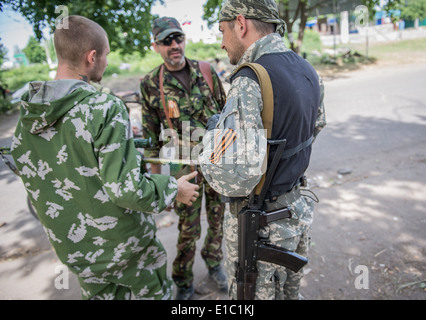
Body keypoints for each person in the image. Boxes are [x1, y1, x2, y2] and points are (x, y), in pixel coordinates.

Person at [10, 15, 199, 300]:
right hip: (126, 249)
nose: (107, 62)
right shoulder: (103, 107)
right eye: (107, 55)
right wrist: (175, 188)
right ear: (92, 56)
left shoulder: (27, 116)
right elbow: (126, 190)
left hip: (77, 254)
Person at [199, 0, 326, 300]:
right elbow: (315, 126)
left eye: (223, 31)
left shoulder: (250, 78)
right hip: (294, 211)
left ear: (241, 24)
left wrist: (208, 145)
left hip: (261, 225)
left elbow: (234, 178)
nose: (222, 43)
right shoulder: (306, 68)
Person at [140, 17, 228, 300]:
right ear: (156, 46)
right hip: (183, 167)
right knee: (188, 229)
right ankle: (183, 280)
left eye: (177, 38)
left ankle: (214, 263)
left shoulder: (206, 71)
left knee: (218, 220)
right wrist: (158, 183)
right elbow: (151, 138)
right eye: (166, 41)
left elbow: (228, 116)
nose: (174, 45)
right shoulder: (151, 84)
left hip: (217, 161)